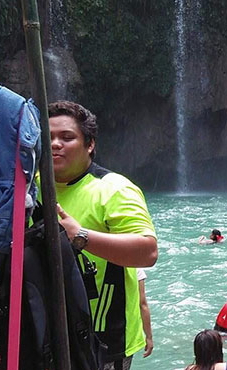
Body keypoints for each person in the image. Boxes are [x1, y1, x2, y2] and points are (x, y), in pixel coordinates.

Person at [50, 100, 157, 370]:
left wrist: (80, 235)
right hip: (46, 331)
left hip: (104, 339)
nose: (55, 144)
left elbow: (147, 251)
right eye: (47, 137)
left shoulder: (114, 189)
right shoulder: (30, 187)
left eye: (67, 137)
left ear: (90, 144)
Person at [137, 269, 154, 358]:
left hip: (92, 332)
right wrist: (149, 337)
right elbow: (143, 304)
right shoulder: (134, 267)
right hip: (125, 337)